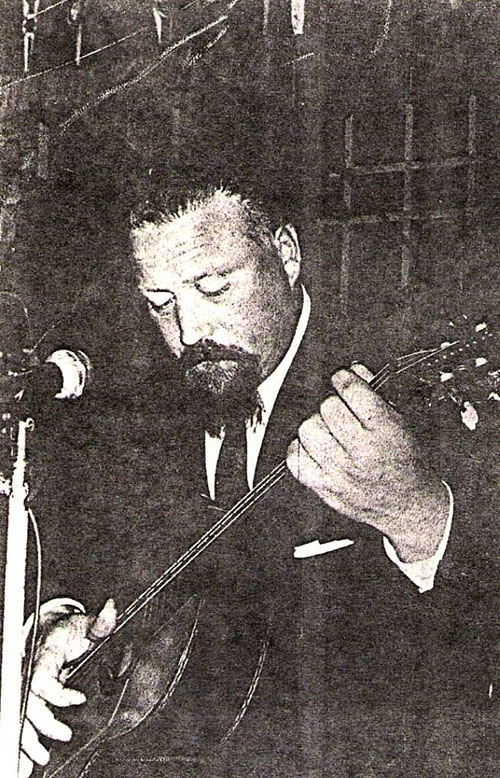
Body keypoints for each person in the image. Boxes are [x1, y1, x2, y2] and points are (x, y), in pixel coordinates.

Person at [19, 184, 497, 777]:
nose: (188, 330)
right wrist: (53, 625)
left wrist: (419, 515)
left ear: (286, 254)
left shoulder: (404, 391)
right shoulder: (130, 389)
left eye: (213, 287)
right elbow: (76, 548)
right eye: (160, 302)